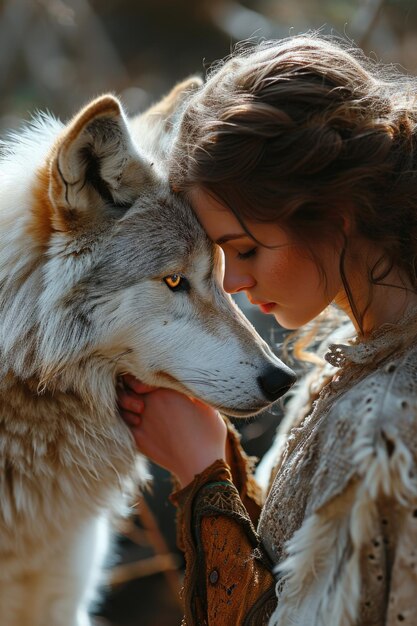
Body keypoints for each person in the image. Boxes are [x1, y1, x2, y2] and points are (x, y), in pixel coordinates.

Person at [117, 33, 417, 625]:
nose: (231, 285)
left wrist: (204, 478)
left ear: (336, 212)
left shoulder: (387, 428)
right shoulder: (349, 359)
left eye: (246, 250)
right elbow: (292, 573)